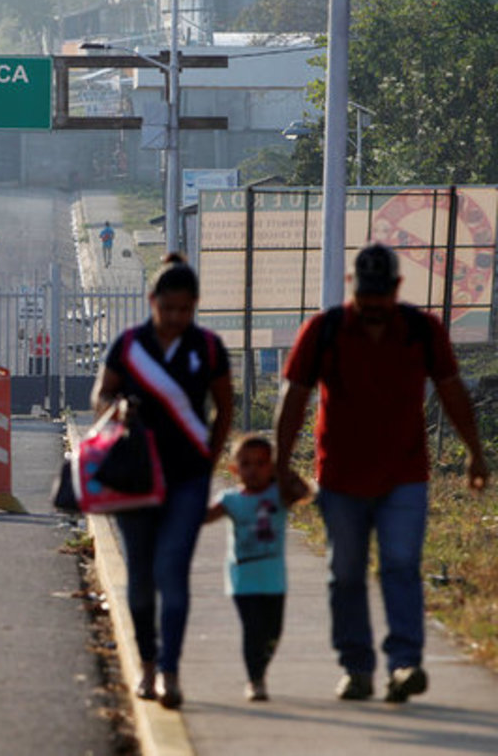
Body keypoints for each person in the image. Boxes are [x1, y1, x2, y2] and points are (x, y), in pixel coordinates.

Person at [275, 242, 489, 703]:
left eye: (381, 298)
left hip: (404, 475)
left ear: (396, 288)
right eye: (366, 298)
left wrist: (475, 451)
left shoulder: (421, 329)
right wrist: (279, 466)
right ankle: (357, 668)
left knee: (400, 566)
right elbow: (294, 400)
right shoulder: (325, 330)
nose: (373, 308)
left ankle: (405, 662)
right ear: (353, 287)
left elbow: (452, 392)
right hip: (340, 477)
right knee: (346, 573)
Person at [91, 253, 234, 709]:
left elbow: (224, 407)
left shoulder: (207, 347)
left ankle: (171, 671)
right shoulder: (129, 346)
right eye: (167, 308)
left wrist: (210, 457)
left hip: (188, 479)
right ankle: (147, 664)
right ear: (152, 301)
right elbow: (100, 394)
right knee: (141, 575)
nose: (175, 318)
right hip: (136, 478)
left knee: (173, 573)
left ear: (194, 306)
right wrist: (117, 409)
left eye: (184, 310)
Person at [205, 434, 311, 702]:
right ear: (234, 468)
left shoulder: (278, 495)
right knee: (253, 630)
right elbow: (204, 517)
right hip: (243, 580)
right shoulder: (230, 499)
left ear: (272, 467)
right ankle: (256, 680)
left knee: (273, 633)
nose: (253, 470)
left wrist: (286, 473)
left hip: (274, 580)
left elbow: (305, 493)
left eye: (261, 463)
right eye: (246, 463)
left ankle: (260, 669)